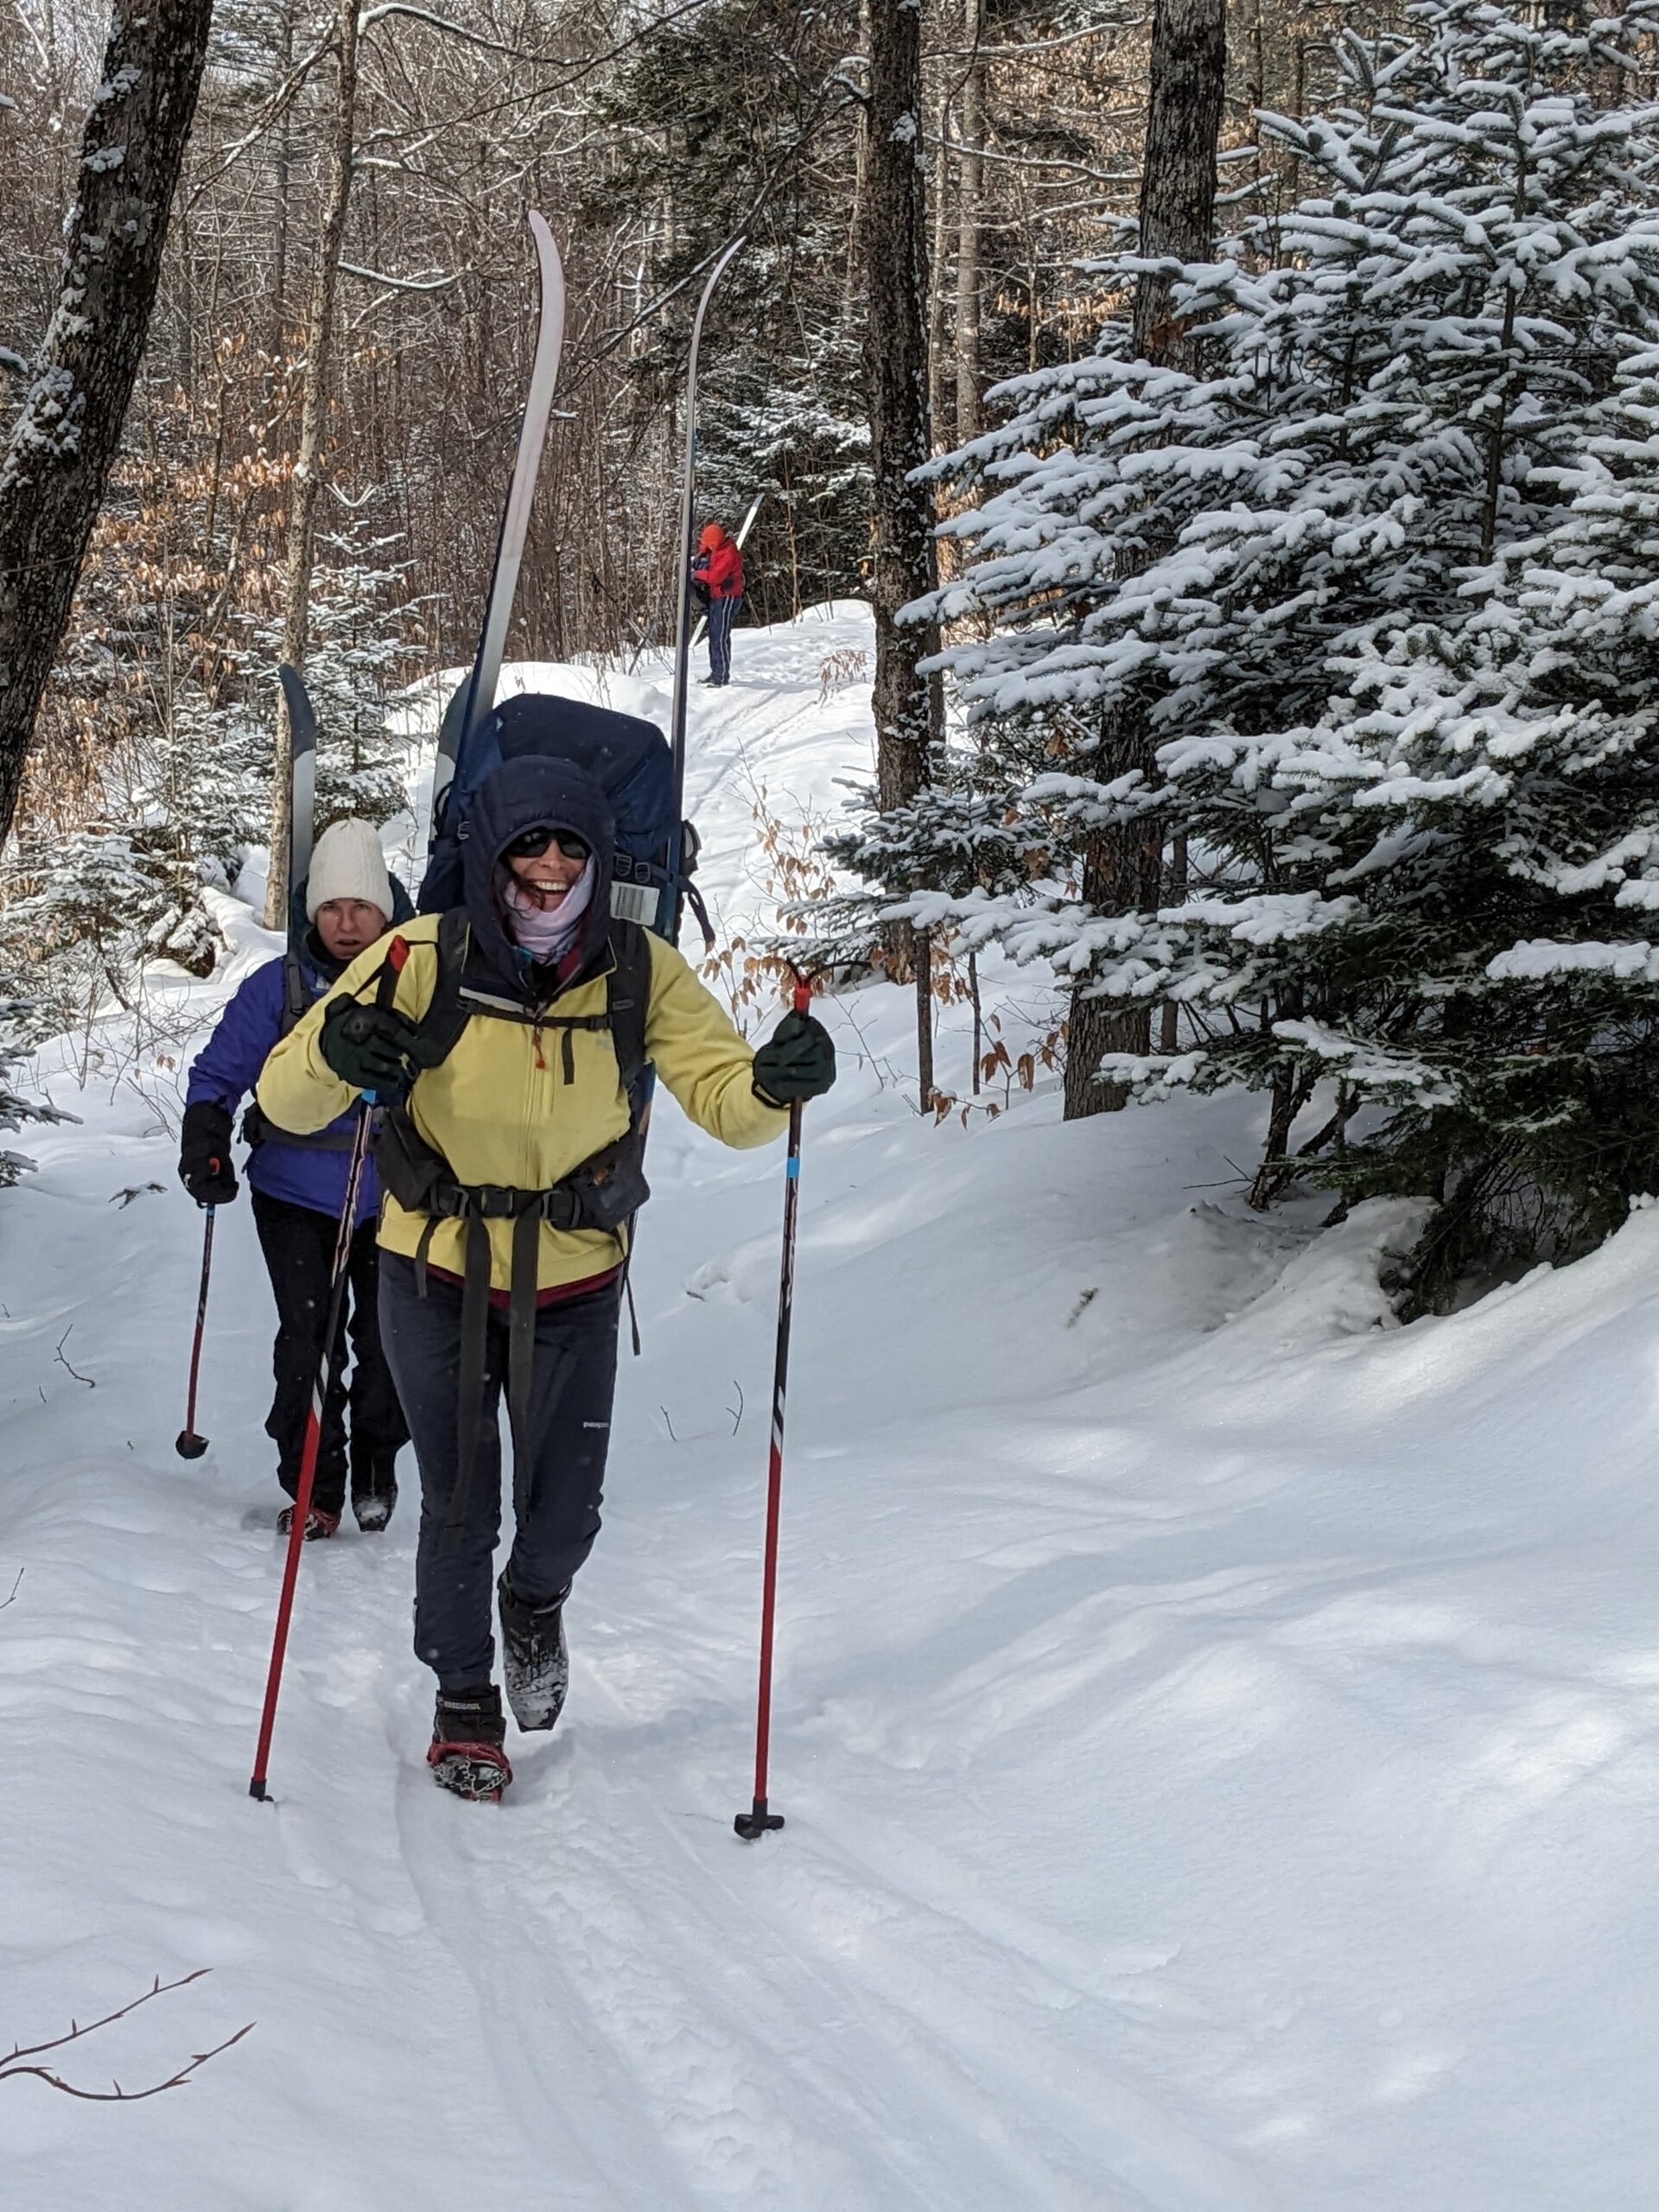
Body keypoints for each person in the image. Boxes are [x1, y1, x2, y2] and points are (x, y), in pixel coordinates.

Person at [256, 753, 836, 1800]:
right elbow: (286, 1100)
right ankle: (464, 1703)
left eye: (570, 845)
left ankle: (533, 1603)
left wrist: (772, 1083)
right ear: (492, 853)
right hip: (432, 1269)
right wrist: (338, 1050)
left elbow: (724, 1097)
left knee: (563, 1511)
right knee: (460, 1495)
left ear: (599, 857)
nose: (552, 863)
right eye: (530, 843)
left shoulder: (640, 968)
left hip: (575, 1280)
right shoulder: (417, 956)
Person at [179, 819, 410, 1540]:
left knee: (389, 1343)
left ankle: (376, 1464)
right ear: (313, 913)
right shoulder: (276, 989)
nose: (346, 924)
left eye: (361, 908)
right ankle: (314, 1483)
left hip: (396, 1198)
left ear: (386, 912)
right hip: (293, 1194)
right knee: (307, 1343)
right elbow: (217, 1076)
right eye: (332, 908)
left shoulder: (421, 981)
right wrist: (207, 1140)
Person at [691, 520, 744, 688]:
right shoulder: (717, 549)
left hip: (727, 597)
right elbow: (705, 550)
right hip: (717, 597)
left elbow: (715, 577)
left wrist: (696, 574)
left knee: (719, 637)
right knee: (715, 636)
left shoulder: (728, 553)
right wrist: (702, 553)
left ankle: (720, 677)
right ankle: (716, 673)